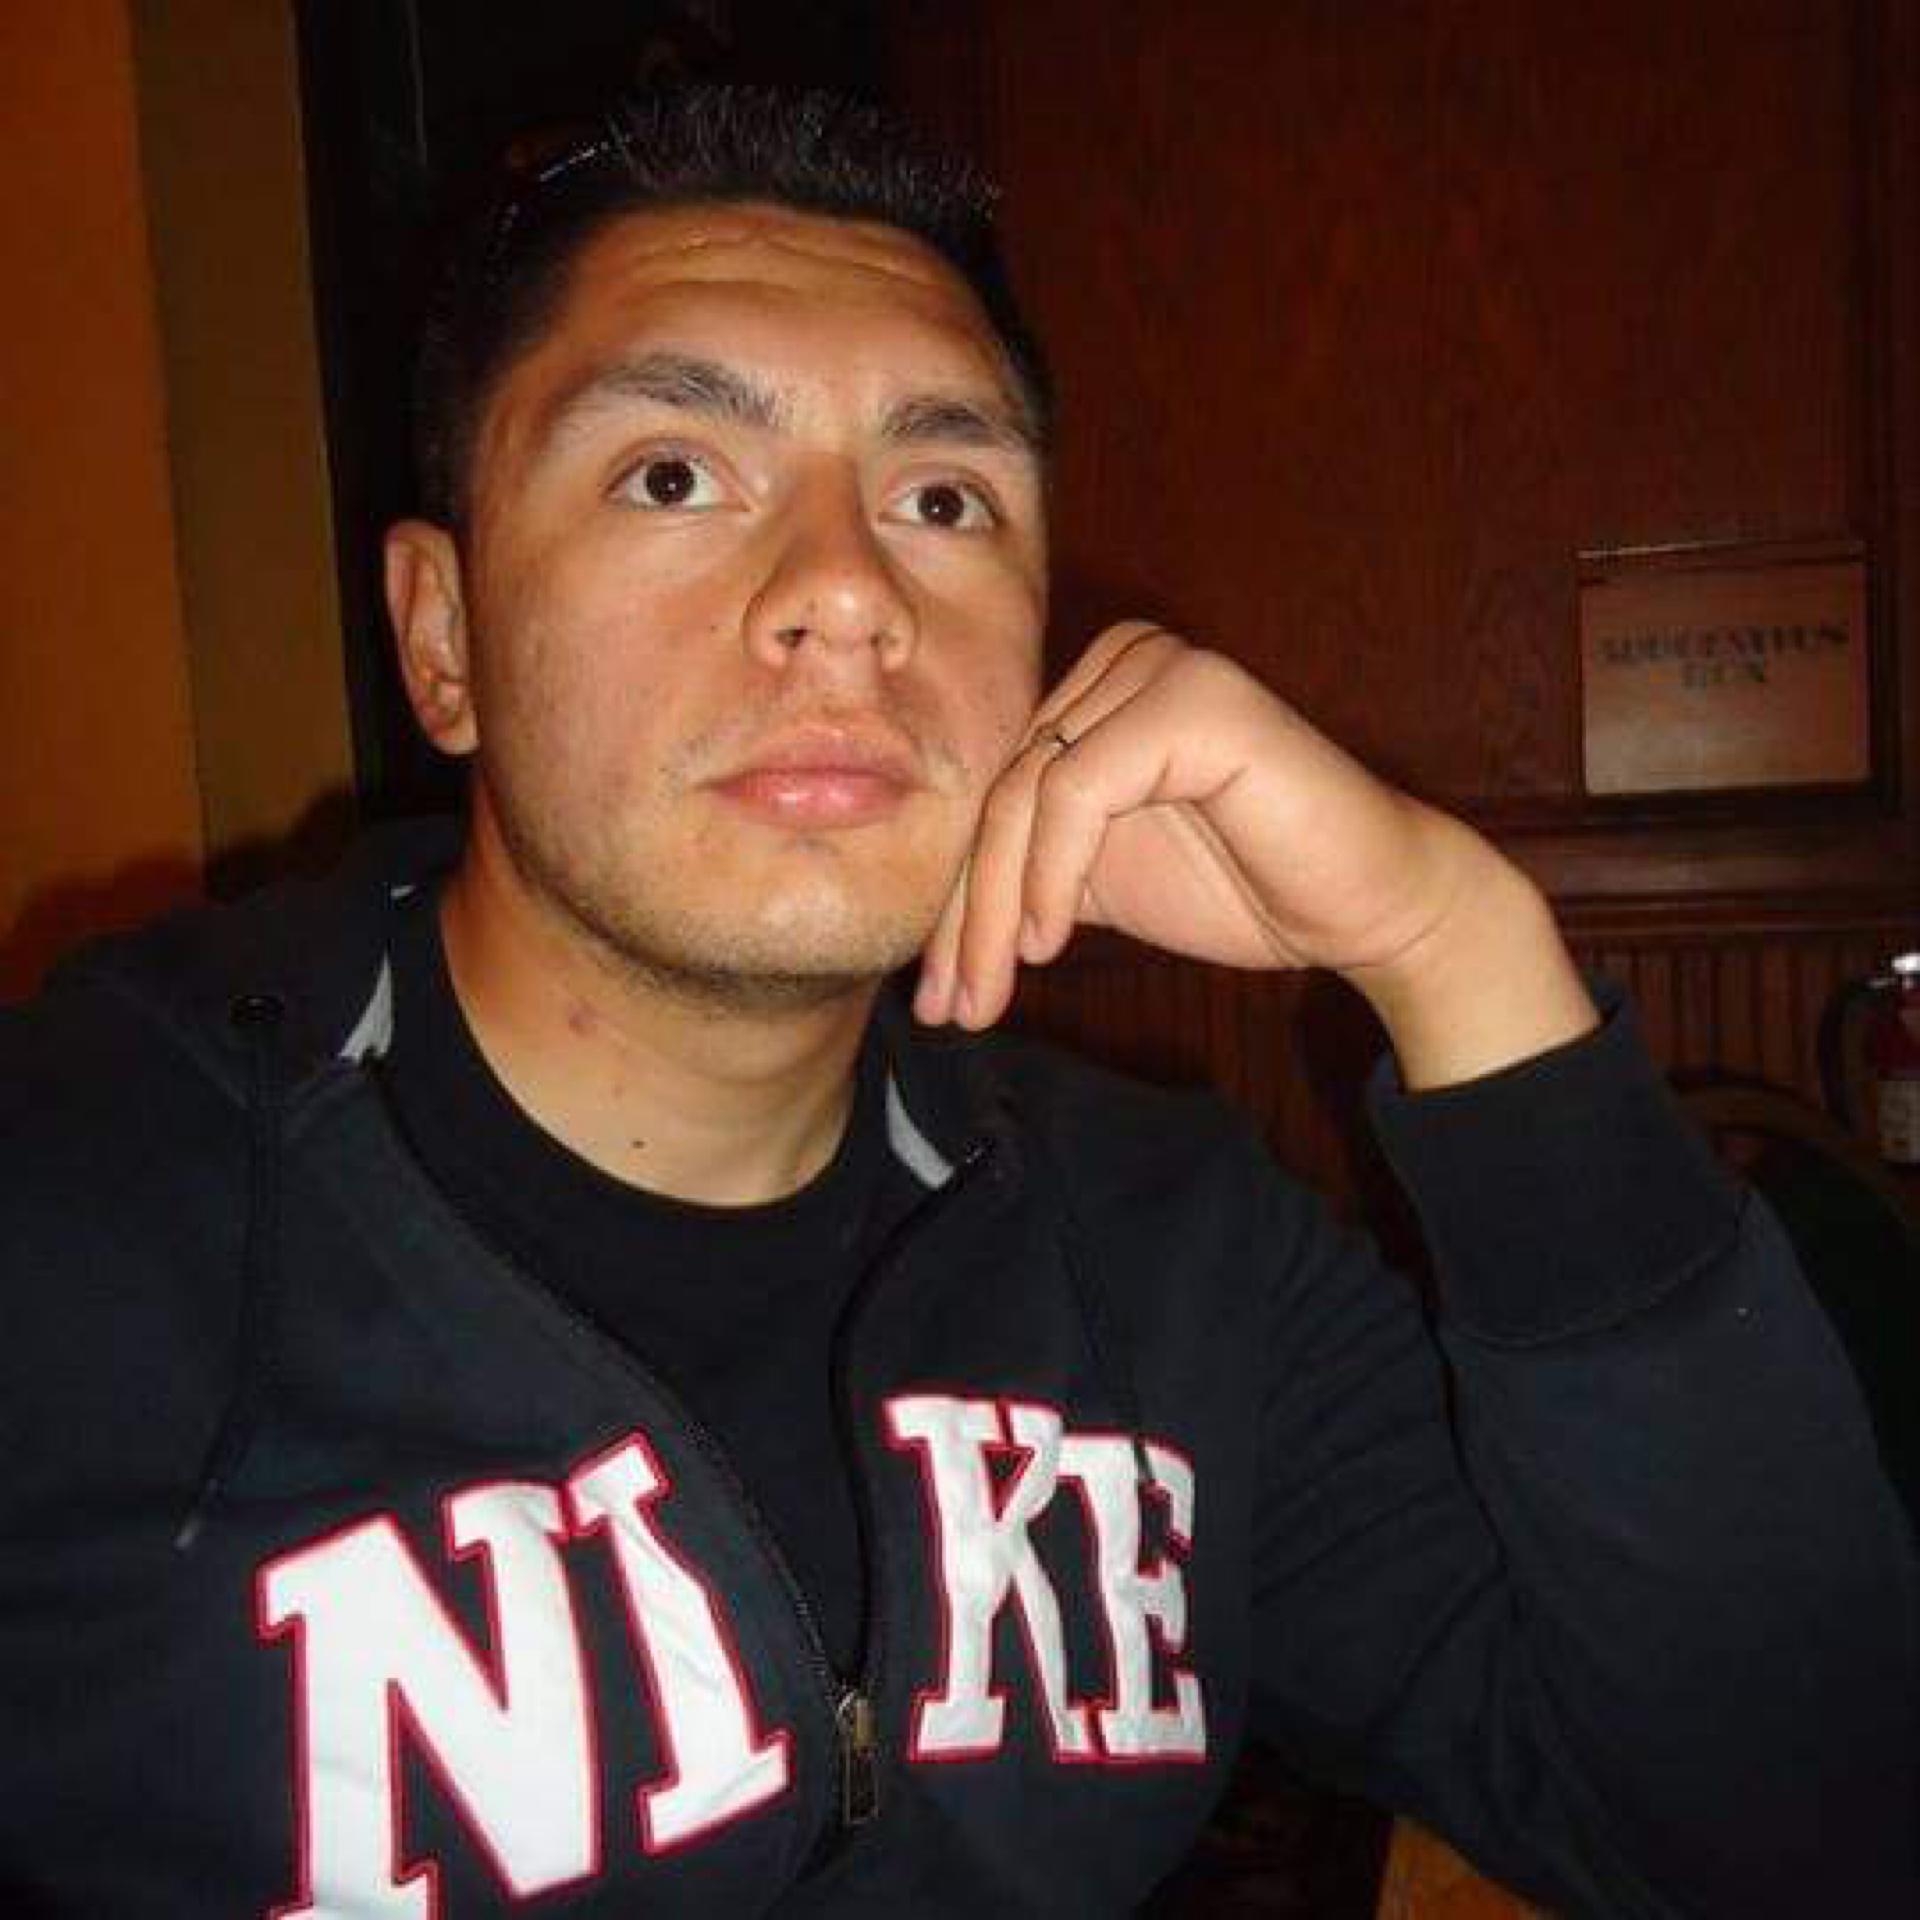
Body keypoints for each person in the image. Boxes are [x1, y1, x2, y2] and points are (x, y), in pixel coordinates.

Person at [0, 84, 1909, 1919]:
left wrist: (1459, 949)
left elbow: (1781, 1836)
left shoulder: (1165, 1253)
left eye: (941, 495)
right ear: (443, 640)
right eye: (674, 474)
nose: (848, 592)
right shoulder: (76, 1217)